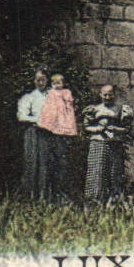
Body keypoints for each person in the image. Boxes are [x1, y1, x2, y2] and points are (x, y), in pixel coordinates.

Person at [82, 84, 134, 204]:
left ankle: (113, 201)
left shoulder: (120, 109)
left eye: (110, 95)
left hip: (114, 143)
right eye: (105, 95)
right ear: (101, 95)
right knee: (97, 171)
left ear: (114, 95)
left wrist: (115, 129)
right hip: (98, 143)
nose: (107, 97)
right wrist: (97, 129)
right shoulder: (95, 109)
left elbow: (127, 129)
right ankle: (94, 200)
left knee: (114, 172)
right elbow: (86, 127)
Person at [37, 73, 79, 201]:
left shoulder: (66, 92)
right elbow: (48, 106)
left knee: (61, 159)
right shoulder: (51, 93)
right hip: (52, 117)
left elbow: (69, 103)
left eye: (59, 83)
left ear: (63, 84)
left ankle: (61, 194)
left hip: (62, 117)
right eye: (54, 83)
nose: (56, 86)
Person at [16, 70, 48, 199]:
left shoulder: (52, 96)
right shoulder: (28, 97)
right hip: (33, 132)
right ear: (34, 81)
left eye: (43, 79)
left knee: (45, 164)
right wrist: (37, 120)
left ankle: (44, 196)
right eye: (38, 80)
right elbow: (21, 116)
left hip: (48, 133)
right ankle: (29, 196)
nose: (41, 82)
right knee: (31, 162)